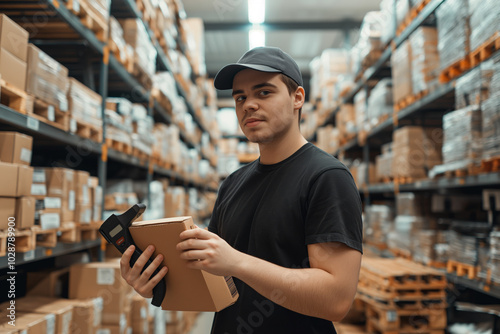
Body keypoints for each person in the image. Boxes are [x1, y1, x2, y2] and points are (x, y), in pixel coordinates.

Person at [120, 46, 363, 333]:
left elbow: (335, 300)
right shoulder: (233, 184)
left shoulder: (326, 177)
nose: (248, 105)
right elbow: (216, 283)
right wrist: (154, 284)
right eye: (240, 97)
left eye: (264, 92)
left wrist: (236, 262)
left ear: (297, 98)